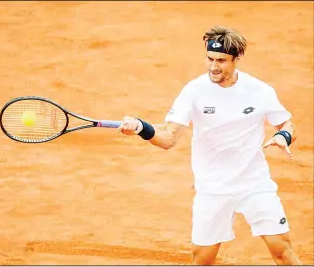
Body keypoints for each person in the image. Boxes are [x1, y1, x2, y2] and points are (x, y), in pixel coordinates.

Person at [117, 26, 302, 265]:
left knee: (283, 251)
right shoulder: (194, 91)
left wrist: (283, 136)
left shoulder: (260, 91)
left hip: (255, 184)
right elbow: (167, 138)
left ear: (236, 59)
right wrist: (141, 127)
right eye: (210, 58)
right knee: (202, 260)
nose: (214, 66)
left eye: (222, 61)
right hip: (212, 189)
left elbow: (287, 124)